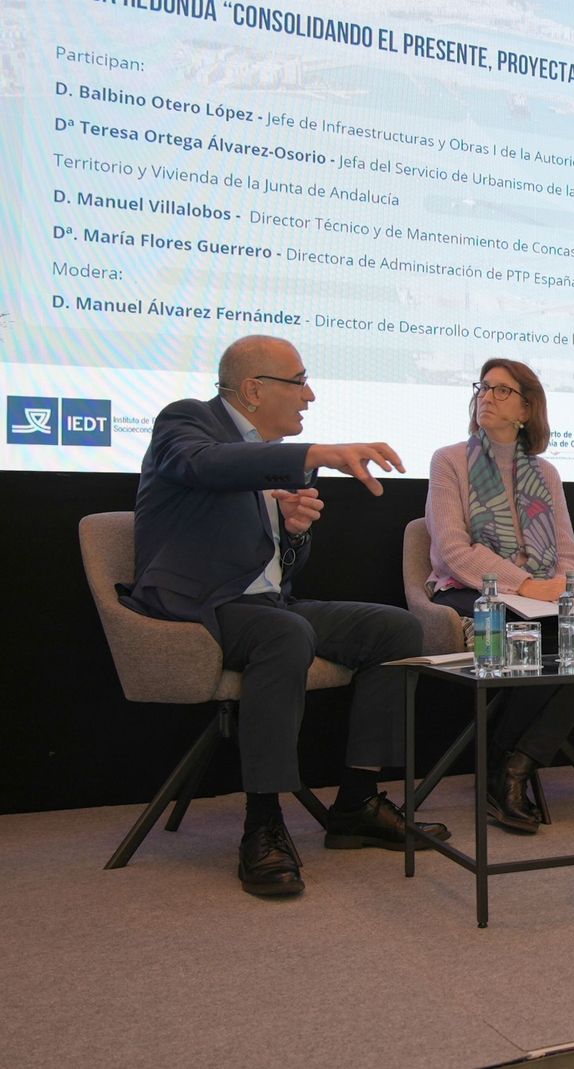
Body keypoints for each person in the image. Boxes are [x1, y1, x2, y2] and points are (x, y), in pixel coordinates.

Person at [127, 334, 448, 898]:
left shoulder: (281, 459)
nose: (310, 395)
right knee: (285, 631)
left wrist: (293, 533)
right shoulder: (188, 422)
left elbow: (281, 567)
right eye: (299, 381)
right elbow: (204, 467)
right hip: (198, 609)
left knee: (396, 629)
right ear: (253, 389)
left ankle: (357, 802)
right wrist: (315, 454)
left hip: (269, 605)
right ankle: (263, 822)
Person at [425, 358, 574, 833]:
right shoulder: (449, 460)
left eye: (500, 391)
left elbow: (568, 550)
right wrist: (528, 586)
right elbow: (455, 550)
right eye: (483, 388)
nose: (486, 397)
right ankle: (505, 772)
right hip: (471, 592)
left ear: (526, 407)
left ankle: (514, 764)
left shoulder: (546, 473)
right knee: (536, 631)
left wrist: (564, 586)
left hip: (540, 595)